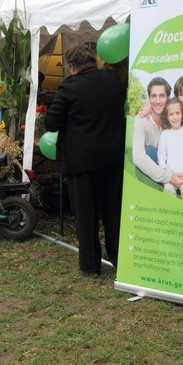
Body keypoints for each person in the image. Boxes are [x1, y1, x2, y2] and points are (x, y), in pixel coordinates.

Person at [44, 42, 126, 275]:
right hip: (113, 158)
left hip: (82, 162)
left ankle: (90, 265)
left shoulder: (69, 88)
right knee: (113, 212)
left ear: (71, 66)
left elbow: (52, 122)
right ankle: (120, 260)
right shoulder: (113, 80)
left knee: (86, 215)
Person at [133, 77, 183, 193]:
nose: (157, 101)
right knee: (150, 150)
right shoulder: (141, 120)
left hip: (176, 170)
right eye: (153, 96)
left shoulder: (173, 119)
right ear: (149, 98)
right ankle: (152, 195)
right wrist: (168, 177)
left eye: (161, 96)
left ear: (168, 98)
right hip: (158, 172)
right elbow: (138, 158)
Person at [157, 98, 183, 201]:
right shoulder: (165, 135)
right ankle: (170, 213)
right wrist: (166, 173)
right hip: (171, 174)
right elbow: (161, 156)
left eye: (177, 113)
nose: (175, 117)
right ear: (167, 116)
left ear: (182, 114)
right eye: (171, 114)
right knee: (168, 190)